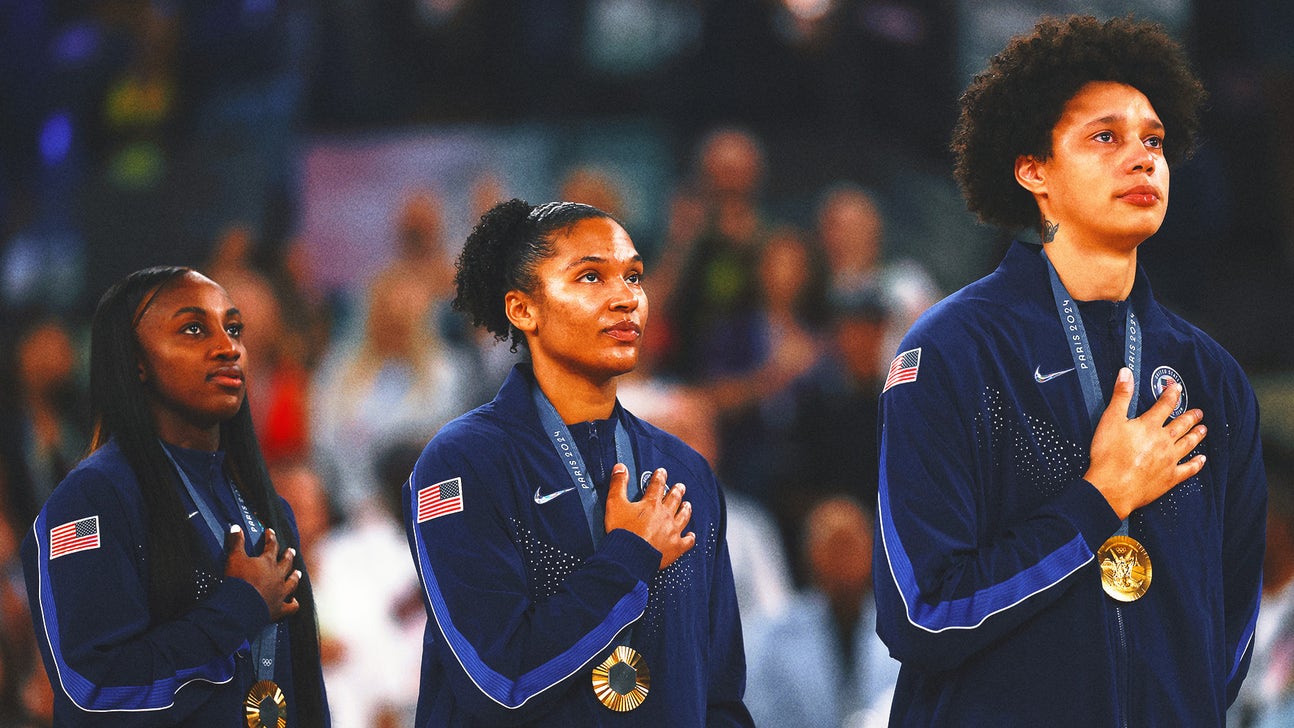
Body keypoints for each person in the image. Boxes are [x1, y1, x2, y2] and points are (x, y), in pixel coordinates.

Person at [872, 15, 1266, 725]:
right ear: (1033, 170)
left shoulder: (1214, 380)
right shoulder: (951, 353)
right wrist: (1099, 500)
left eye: (1153, 139)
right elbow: (924, 613)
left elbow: (1230, 629)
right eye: (1105, 137)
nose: (1143, 158)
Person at [403, 199, 753, 725]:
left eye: (634, 277)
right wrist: (627, 557)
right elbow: (499, 681)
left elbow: (720, 698)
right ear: (523, 309)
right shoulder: (463, 463)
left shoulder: (686, 472)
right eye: (591, 277)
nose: (625, 299)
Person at [20, 266, 329, 726]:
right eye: (193, 329)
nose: (229, 348)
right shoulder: (90, 500)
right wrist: (238, 607)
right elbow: (93, 689)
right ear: (136, 361)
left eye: (234, 329)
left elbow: (304, 687)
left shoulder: (267, 507)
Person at [745, 496, 899, 728]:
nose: (842, 559)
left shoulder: (906, 631)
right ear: (809, 554)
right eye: (833, 546)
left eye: (850, 544)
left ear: (873, 550)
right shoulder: (769, 637)